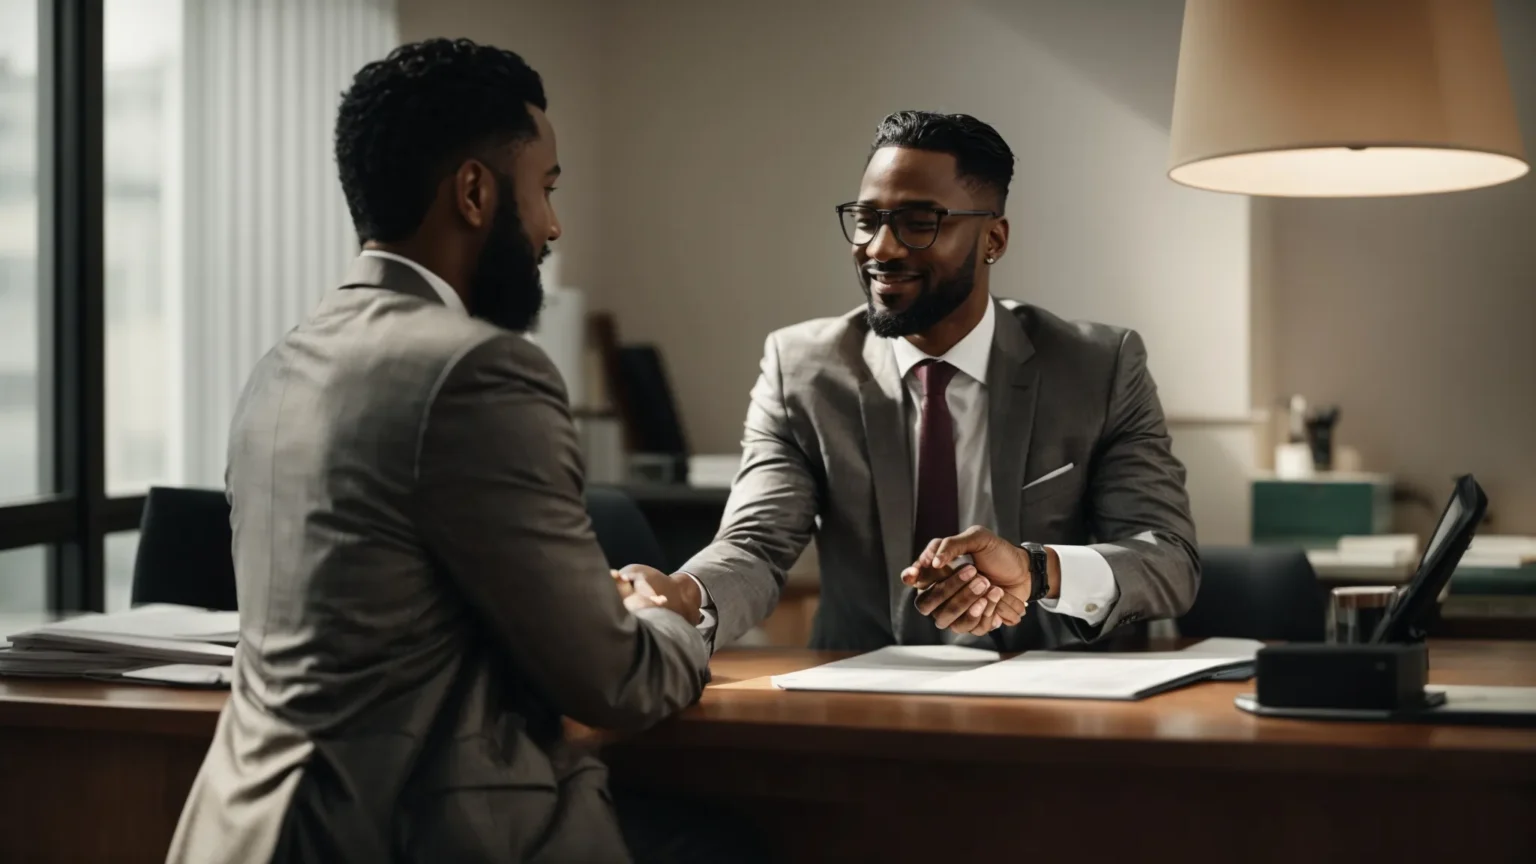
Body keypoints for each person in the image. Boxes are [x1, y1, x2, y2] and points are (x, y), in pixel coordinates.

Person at [167, 39, 721, 864]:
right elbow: (613, 681)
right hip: (412, 834)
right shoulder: (478, 370)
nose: (552, 227)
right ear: (473, 192)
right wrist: (673, 618)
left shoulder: (280, 365)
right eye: (546, 190)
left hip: (246, 832)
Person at [659, 110, 1200, 651]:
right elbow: (756, 544)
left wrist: (1036, 569)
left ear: (993, 238)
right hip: (865, 690)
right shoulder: (801, 369)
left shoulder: (1097, 367)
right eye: (868, 219)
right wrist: (685, 594)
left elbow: (1170, 559)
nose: (880, 248)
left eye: (920, 223)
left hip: (1057, 694)